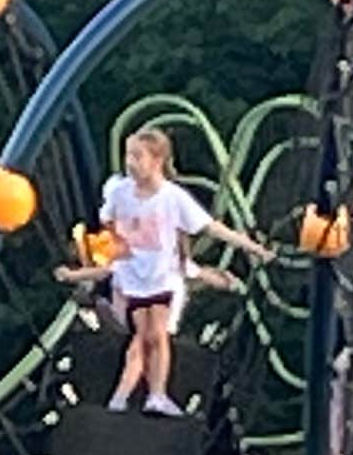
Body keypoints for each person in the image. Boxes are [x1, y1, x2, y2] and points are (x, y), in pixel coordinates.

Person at [99, 126, 265, 416]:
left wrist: (250, 246)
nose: (130, 163)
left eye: (138, 156)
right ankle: (133, 395)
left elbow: (210, 228)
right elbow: (107, 225)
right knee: (144, 337)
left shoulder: (172, 197)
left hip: (161, 280)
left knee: (153, 336)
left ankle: (142, 395)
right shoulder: (120, 192)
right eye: (128, 156)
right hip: (131, 280)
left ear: (157, 160)